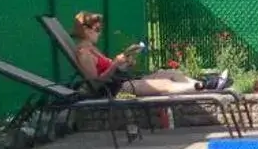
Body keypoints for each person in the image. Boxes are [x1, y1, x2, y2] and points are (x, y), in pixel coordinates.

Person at [69, 12, 199, 96]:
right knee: (165, 84)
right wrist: (114, 64)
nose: (100, 33)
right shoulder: (84, 54)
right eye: (97, 29)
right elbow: (95, 83)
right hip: (114, 88)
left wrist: (125, 63)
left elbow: (112, 70)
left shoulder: (93, 49)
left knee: (171, 73)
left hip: (123, 81)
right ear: (85, 30)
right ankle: (201, 87)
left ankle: (210, 85)